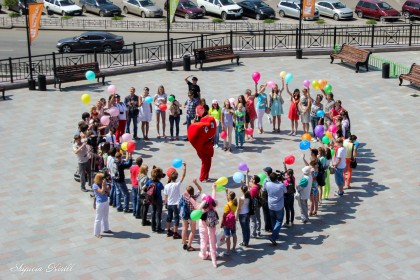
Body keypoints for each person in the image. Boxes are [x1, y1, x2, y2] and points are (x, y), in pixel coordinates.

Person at [197, 184, 219, 268]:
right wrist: (214, 189)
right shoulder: (213, 206)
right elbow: (213, 198)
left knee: (203, 240)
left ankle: (203, 254)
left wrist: (190, 198)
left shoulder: (203, 209)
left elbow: (198, 208)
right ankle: (214, 259)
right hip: (212, 225)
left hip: (203, 225)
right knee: (212, 241)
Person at [164, 162, 187, 239]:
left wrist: (165, 203)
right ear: (176, 178)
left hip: (169, 204)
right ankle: (175, 232)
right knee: (176, 218)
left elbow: (166, 196)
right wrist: (184, 167)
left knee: (169, 217)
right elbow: (183, 176)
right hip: (176, 204)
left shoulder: (166, 186)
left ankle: (168, 231)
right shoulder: (177, 185)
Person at [263, 171, 287, 245]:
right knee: (279, 221)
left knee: (273, 220)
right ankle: (273, 236)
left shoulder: (267, 184)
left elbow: (264, 190)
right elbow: (285, 191)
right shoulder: (281, 185)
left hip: (271, 205)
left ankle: (275, 234)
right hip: (279, 206)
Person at [180, 179, 202, 251]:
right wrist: (196, 183)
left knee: (184, 229)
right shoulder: (194, 197)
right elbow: (200, 189)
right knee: (193, 231)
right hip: (192, 216)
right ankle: (189, 246)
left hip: (184, 215)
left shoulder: (183, 197)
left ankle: (184, 244)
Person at [93, 173, 112, 239]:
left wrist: (107, 187)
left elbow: (108, 192)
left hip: (106, 201)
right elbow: (102, 192)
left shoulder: (103, 183)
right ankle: (96, 233)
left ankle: (106, 229)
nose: (104, 179)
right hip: (100, 203)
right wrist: (104, 185)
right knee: (98, 218)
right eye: (102, 178)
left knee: (105, 216)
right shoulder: (95, 185)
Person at [146, 166, 165, 233]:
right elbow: (163, 188)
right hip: (158, 200)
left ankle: (153, 226)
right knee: (158, 214)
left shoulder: (149, 181)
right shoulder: (159, 184)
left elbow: (146, 185)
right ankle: (158, 228)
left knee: (153, 212)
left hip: (152, 199)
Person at [221, 190, 237, 256]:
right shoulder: (235, 203)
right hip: (233, 221)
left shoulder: (227, 205)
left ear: (229, 197)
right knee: (234, 234)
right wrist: (226, 192)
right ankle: (233, 247)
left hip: (227, 222)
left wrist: (222, 223)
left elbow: (224, 215)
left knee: (227, 236)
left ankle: (228, 250)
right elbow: (229, 201)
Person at [246, 173, 262, 238]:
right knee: (258, 217)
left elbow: (250, 197)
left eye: (252, 178)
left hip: (253, 205)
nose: (251, 178)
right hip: (258, 204)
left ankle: (253, 233)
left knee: (253, 219)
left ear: (254, 180)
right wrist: (246, 174)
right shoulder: (257, 186)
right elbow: (247, 184)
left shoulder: (253, 189)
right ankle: (258, 230)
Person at [261, 167, 273, 232]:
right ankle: (271, 227)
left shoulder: (266, 180)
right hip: (272, 197)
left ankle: (267, 227)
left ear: (267, 173)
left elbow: (264, 189)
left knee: (266, 213)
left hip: (266, 197)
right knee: (271, 213)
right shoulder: (274, 178)